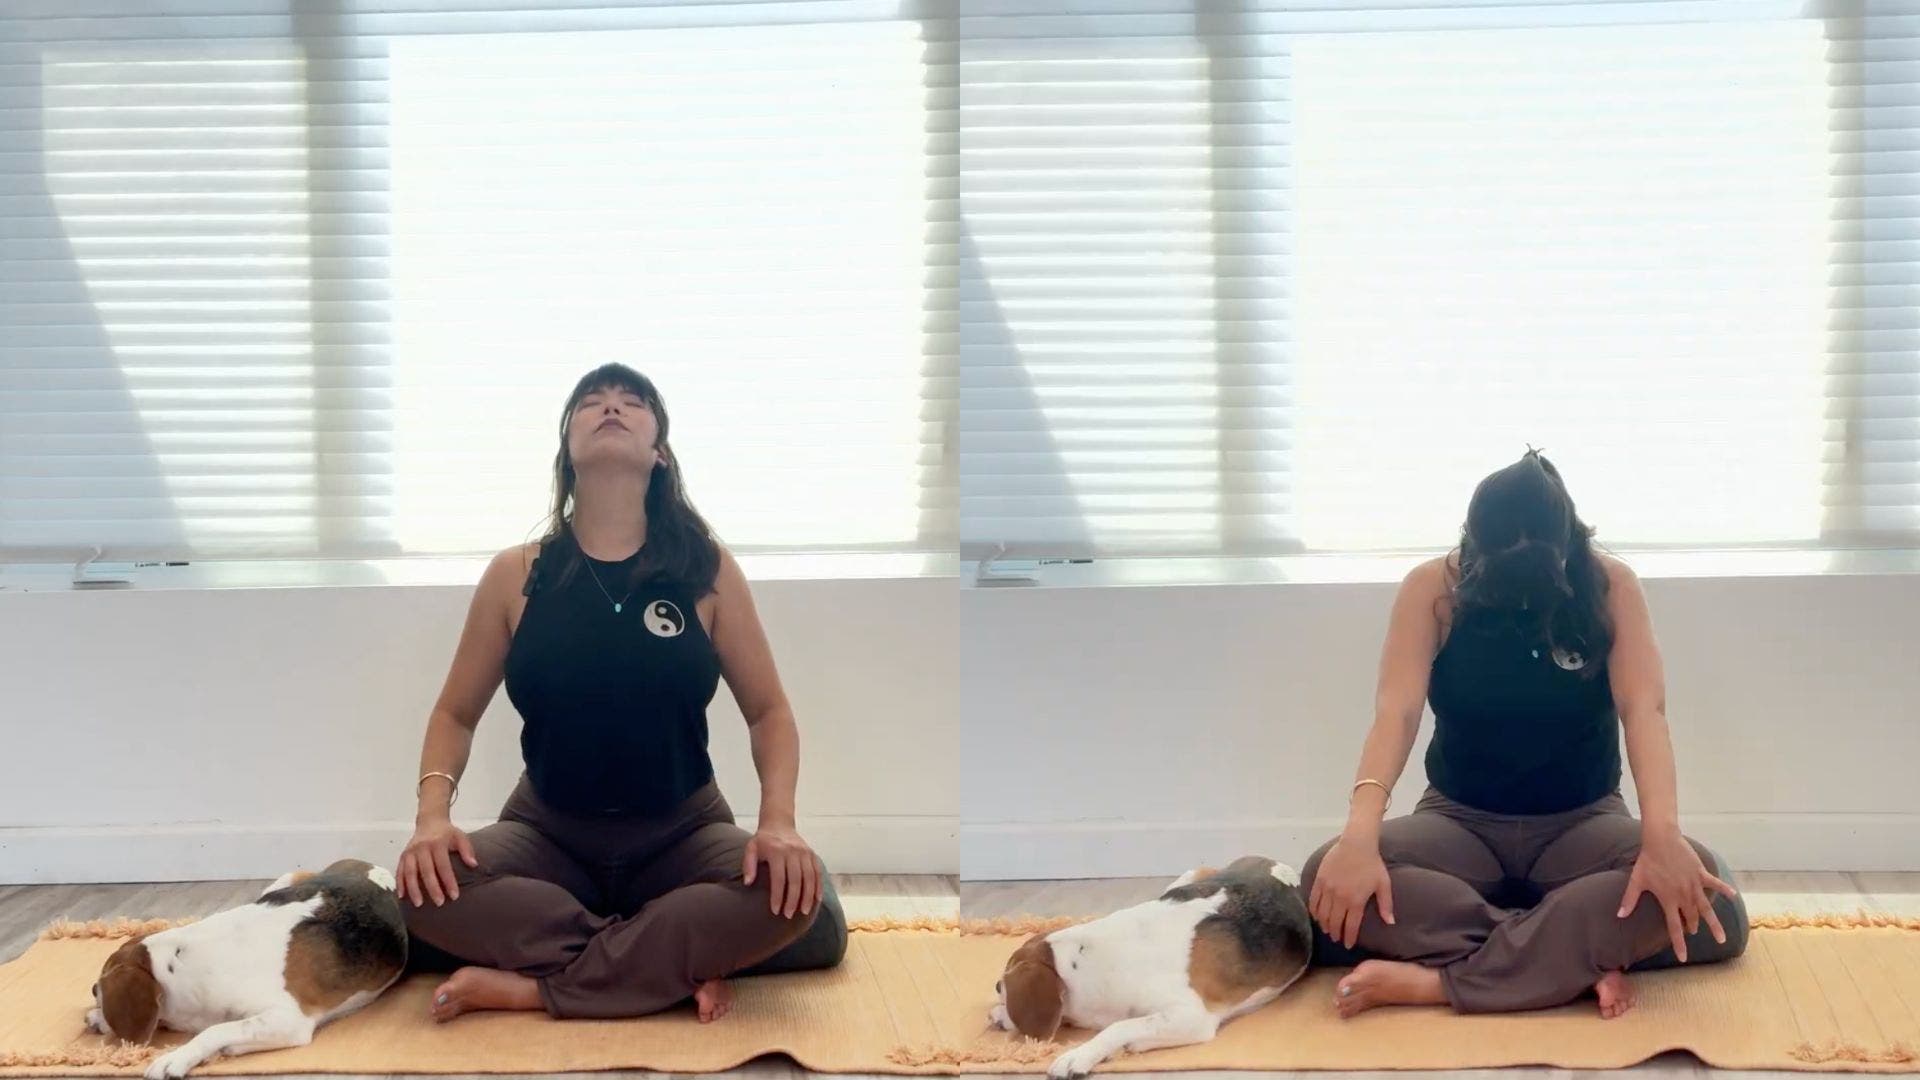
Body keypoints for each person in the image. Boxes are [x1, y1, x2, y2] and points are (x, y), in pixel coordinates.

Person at [394, 362, 846, 1023]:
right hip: (546, 833)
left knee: (804, 903)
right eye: (590, 402)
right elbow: (454, 714)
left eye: (631, 402)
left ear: (659, 453)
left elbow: (770, 713)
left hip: (684, 833)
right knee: (419, 893)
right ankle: (663, 960)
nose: (610, 407)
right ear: (566, 450)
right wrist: (431, 819)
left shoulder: (706, 571)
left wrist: (779, 823)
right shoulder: (514, 576)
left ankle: (532, 986)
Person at [1298, 449, 1748, 1020]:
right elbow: (1397, 712)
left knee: (1710, 906)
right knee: (1325, 876)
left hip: (1581, 825)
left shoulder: (1610, 587)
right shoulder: (1431, 590)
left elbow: (1645, 711)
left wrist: (1662, 837)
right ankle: (1566, 960)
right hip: (1458, 823)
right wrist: (1358, 837)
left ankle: (1438, 983)